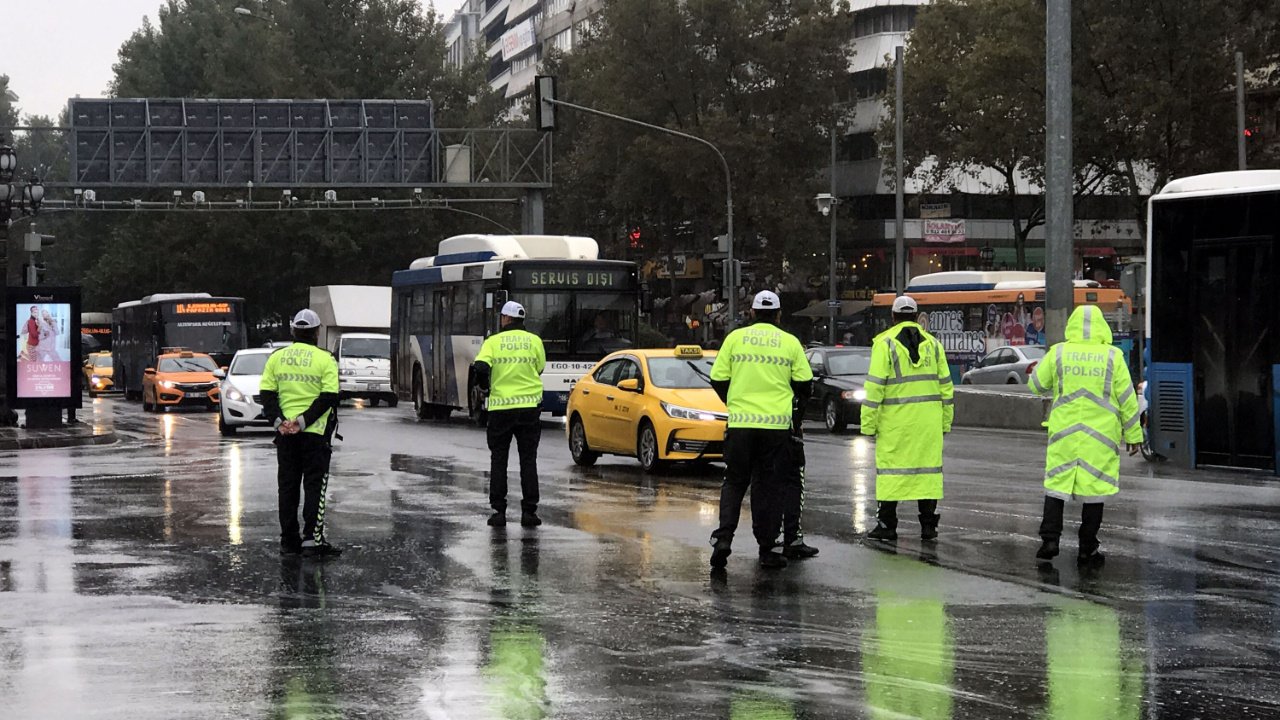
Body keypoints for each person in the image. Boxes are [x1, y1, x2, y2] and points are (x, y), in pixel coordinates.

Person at [1028, 304, 1141, 565]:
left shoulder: (1059, 353)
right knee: (1094, 493)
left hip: (1064, 435)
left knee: (1056, 487)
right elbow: (1127, 400)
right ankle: (1087, 546)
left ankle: (1050, 540)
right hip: (1099, 438)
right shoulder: (1112, 357)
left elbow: (1035, 385)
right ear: (1102, 327)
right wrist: (1134, 435)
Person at [708, 290, 812, 569]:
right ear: (778, 315)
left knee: (734, 482)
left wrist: (733, 401)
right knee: (768, 488)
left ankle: (723, 539)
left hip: (741, 426)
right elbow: (805, 384)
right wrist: (795, 415)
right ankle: (767, 549)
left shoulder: (735, 339)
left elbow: (717, 378)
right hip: (776, 429)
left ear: (752, 313)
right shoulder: (790, 343)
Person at [861, 295, 953, 542]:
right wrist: (945, 423)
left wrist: (868, 425)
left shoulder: (884, 344)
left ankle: (887, 525)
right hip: (928, 424)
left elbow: (875, 388)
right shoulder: (934, 345)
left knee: (891, 472)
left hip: (896, 422)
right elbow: (946, 387)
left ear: (892, 317)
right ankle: (928, 526)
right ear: (916, 315)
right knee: (928, 472)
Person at [260, 309, 342, 558]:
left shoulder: (277, 357)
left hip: (285, 434)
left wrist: (280, 422)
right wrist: (303, 421)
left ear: (294, 331)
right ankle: (312, 540)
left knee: (287, 487)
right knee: (315, 485)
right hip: (314, 433)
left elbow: (267, 394)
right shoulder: (325, 359)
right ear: (317, 333)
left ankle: (288, 541)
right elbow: (329, 397)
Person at [473, 301, 547, 528]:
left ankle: (498, 512)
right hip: (529, 409)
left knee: (499, 460)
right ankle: (529, 512)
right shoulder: (535, 341)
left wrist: (486, 387)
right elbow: (540, 367)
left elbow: (481, 368)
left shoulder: (493, 342)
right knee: (528, 460)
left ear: (505, 319)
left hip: (500, 409)